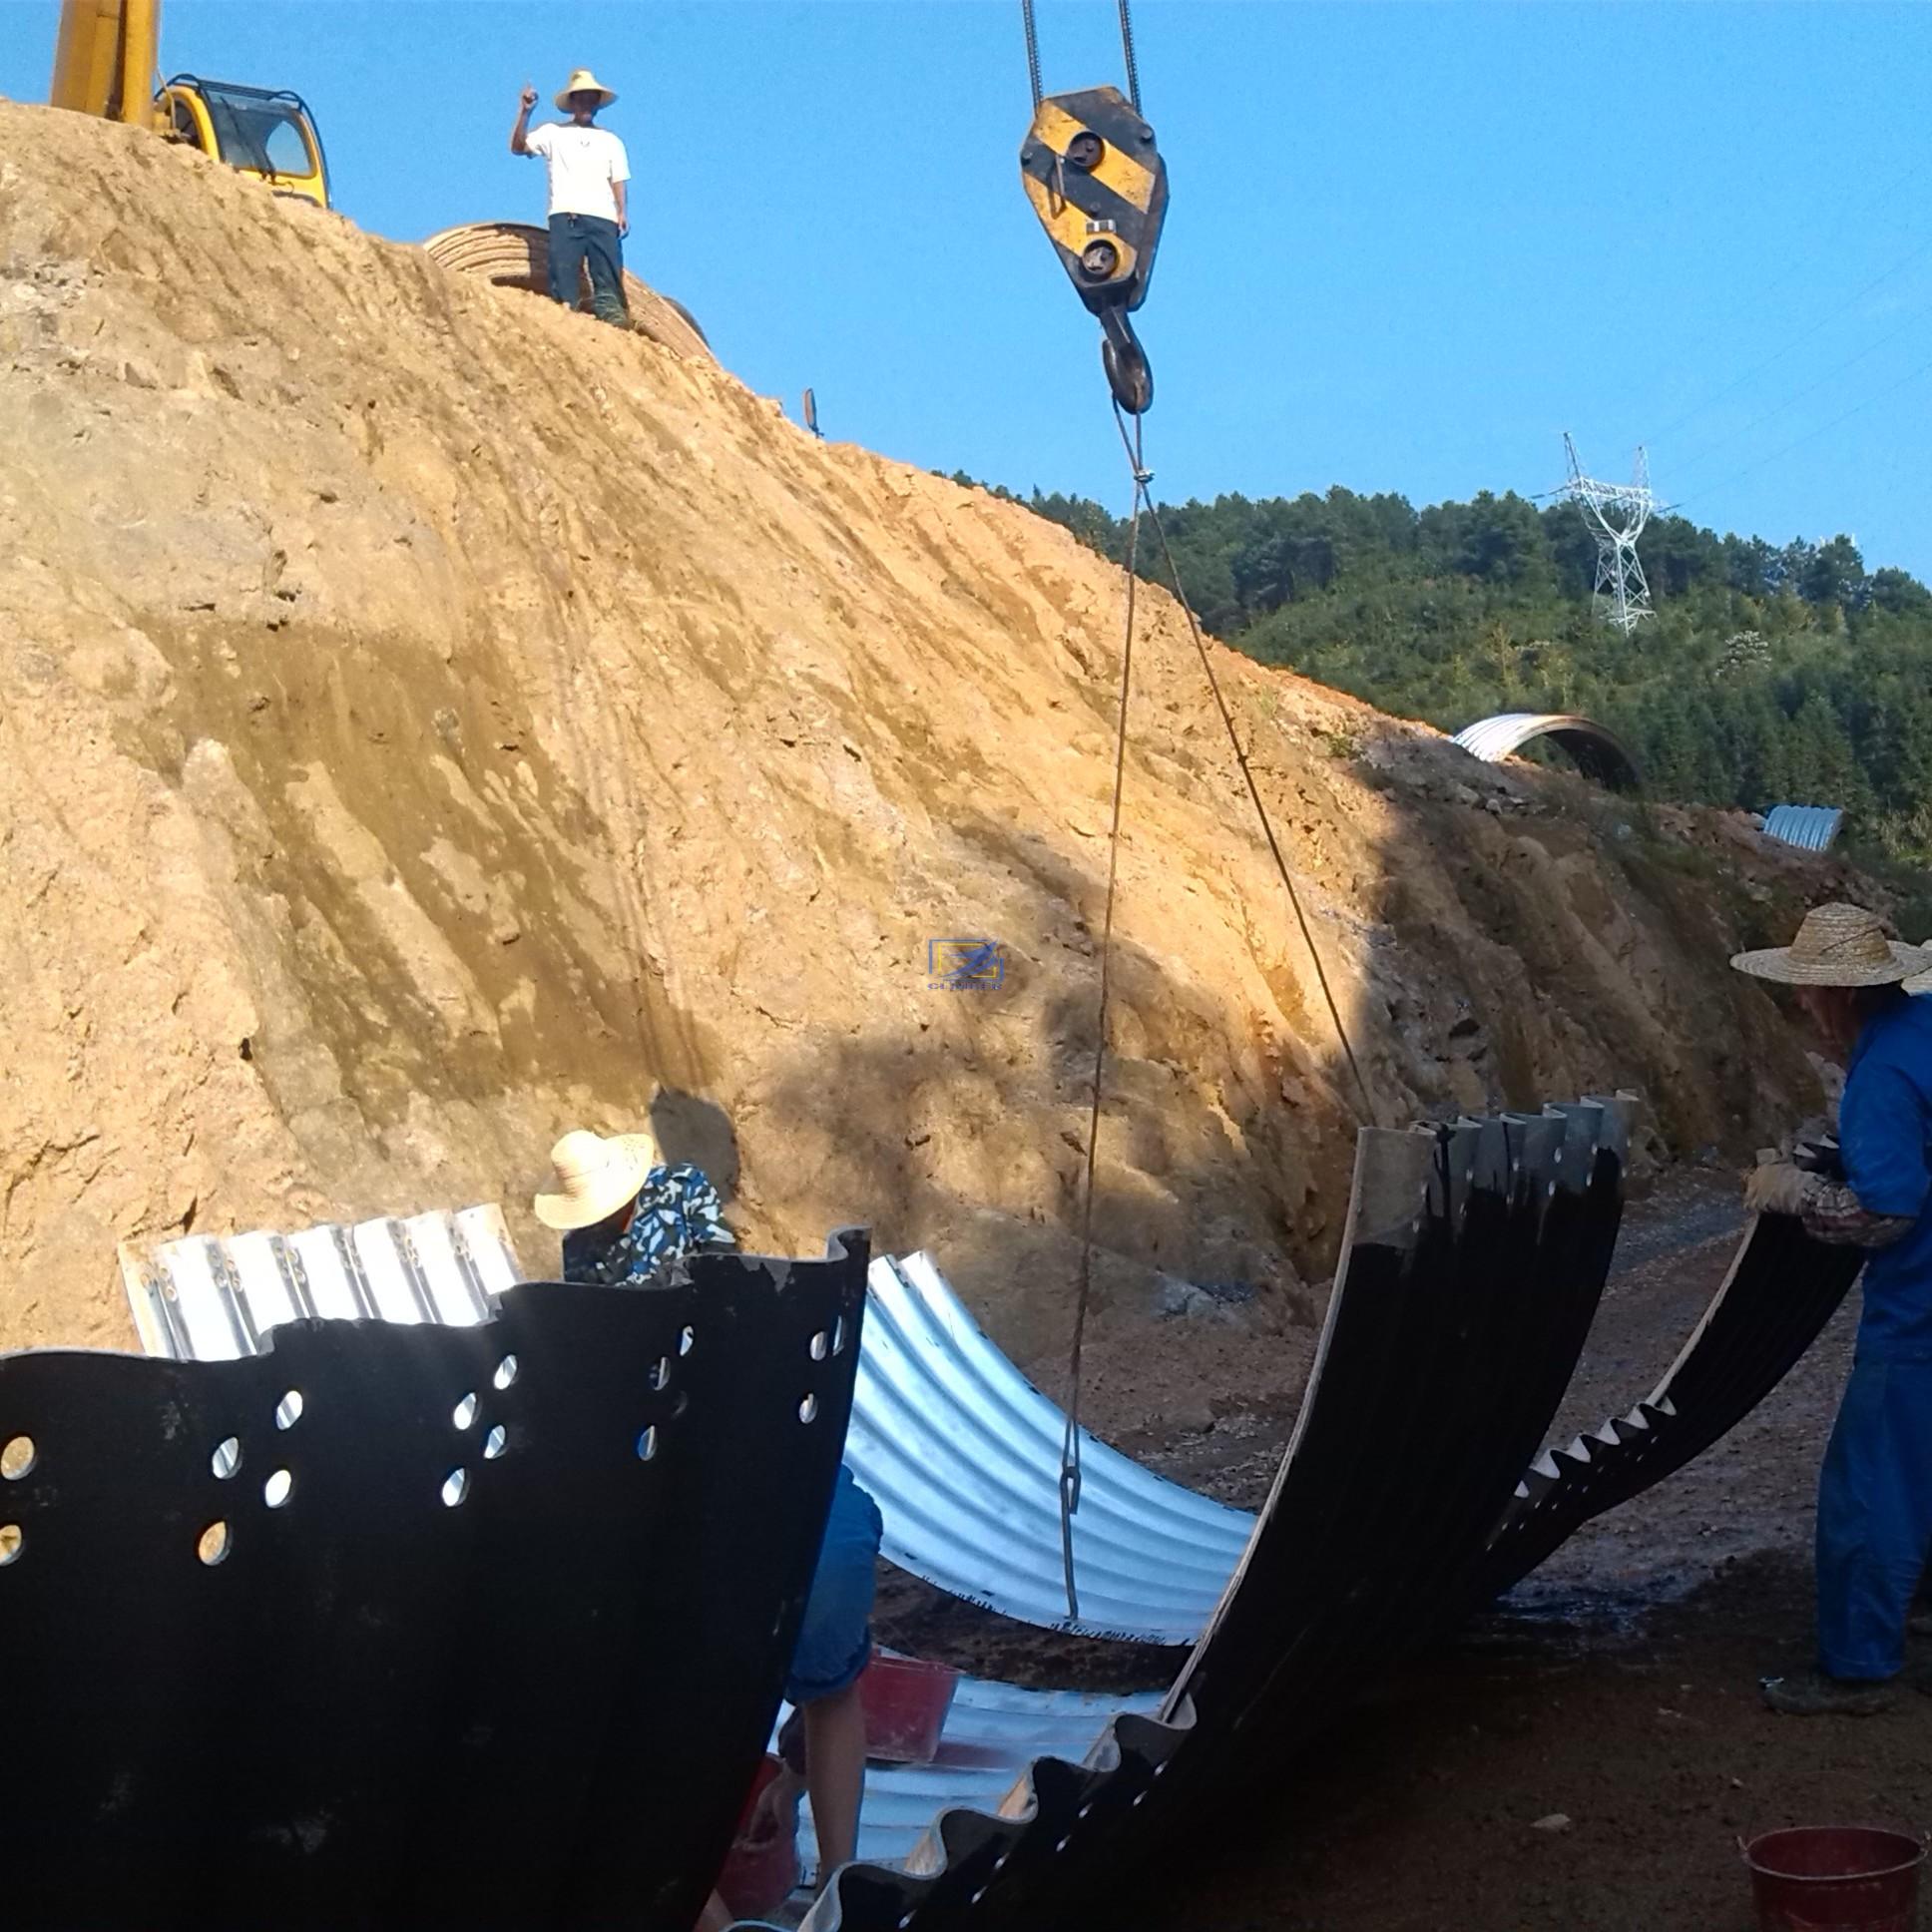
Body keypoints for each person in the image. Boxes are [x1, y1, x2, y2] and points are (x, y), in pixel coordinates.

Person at [531, 1129, 884, 1919]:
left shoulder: (674, 1216)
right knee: (820, 1681)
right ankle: (827, 1874)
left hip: (753, 1496)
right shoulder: (605, 1254)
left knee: (710, 1698)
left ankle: (823, 1876)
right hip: (778, 1483)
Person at [1730, 902, 1932, 1715]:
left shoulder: (1881, 1072)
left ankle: (1856, 1667)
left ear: (1841, 994)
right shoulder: (1922, 1031)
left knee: (1871, 1484)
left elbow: (1889, 1213)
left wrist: (1800, 1191)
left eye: (1808, 994)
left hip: (1922, 1313)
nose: (1803, 1009)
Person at [533, 1128, 733, 1287]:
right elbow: (591, 1317)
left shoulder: (683, 1188)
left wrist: (658, 1286)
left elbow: (723, 1261)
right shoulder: (578, 1250)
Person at [509, 68, 631, 327]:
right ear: (572, 102)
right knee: (564, 281)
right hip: (567, 215)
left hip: (603, 218)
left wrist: (622, 212)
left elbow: (618, 179)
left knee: (608, 282)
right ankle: (568, 327)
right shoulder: (553, 132)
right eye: (581, 98)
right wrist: (525, 113)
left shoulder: (611, 141)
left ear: (597, 104)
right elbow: (518, 147)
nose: (586, 103)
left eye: (591, 98)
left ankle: (615, 329)